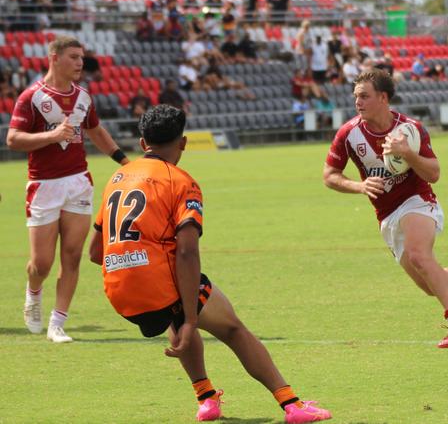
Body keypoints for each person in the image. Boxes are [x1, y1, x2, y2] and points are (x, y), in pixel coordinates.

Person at [88, 105, 331, 423]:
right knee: (230, 328)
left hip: (119, 292)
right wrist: (190, 318)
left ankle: (206, 398)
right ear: (183, 143)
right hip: (158, 283)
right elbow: (188, 252)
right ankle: (292, 405)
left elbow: (95, 252)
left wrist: (134, 262)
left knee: (174, 308)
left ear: (143, 142)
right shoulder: (180, 181)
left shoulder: (116, 179)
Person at [322, 69, 448, 348]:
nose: (357, 102)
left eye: (364, 96)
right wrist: (359, 186)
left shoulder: (410, 129)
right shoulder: (349, 134)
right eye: (356, 96)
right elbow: (329, 175)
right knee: (430, 285)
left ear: (383, 98)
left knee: (420, 255)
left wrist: (407, 153)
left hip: (418, 202)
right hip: (386, 215)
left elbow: (434, 174)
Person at [6, 35, 130, 343]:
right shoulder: (32, 97)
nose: (80, 63)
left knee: (72, 257)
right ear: (55, 58)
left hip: (77, 182)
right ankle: (33, 295)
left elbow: (95, 130)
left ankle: (57, 323)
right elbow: (13, 139)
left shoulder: (83, 97)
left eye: (81, 57)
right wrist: (51, 136)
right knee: (42, 263)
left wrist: (125, 162)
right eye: (74, 57)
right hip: (43, 186)